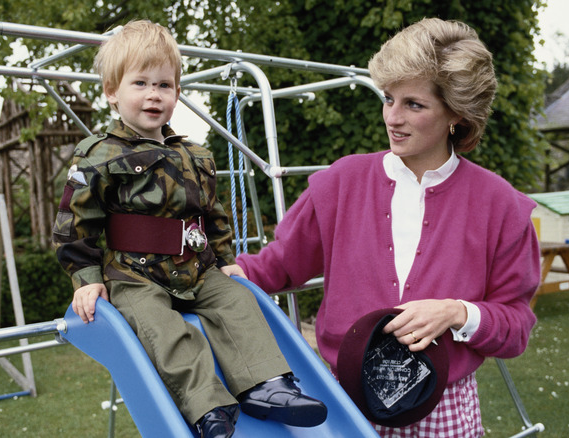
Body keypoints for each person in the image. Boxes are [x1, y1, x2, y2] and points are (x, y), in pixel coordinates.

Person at [224, 17, 541, 437]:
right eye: (389, 98)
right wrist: (227, 275)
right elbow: (278, 264)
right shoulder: (340, 182)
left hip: (442, 410)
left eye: (414, 104)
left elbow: (516, 327)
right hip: (345, 402)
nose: (393, 117)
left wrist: (455, 312)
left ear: (456, 114)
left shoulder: (501, 206)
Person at [51, 20, 326, 438]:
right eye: (140, 83)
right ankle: (208, 407)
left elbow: (213, 217)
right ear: (112, 91)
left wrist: (227, 262)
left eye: (164, 85)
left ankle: (266, 386)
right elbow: (74, 225)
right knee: (163, 329)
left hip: (195, 268)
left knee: (237, 302)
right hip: (134, 275)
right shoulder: (99, 155)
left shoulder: (195, 154)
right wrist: (86, 280)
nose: (153, 94)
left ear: (177, 92)